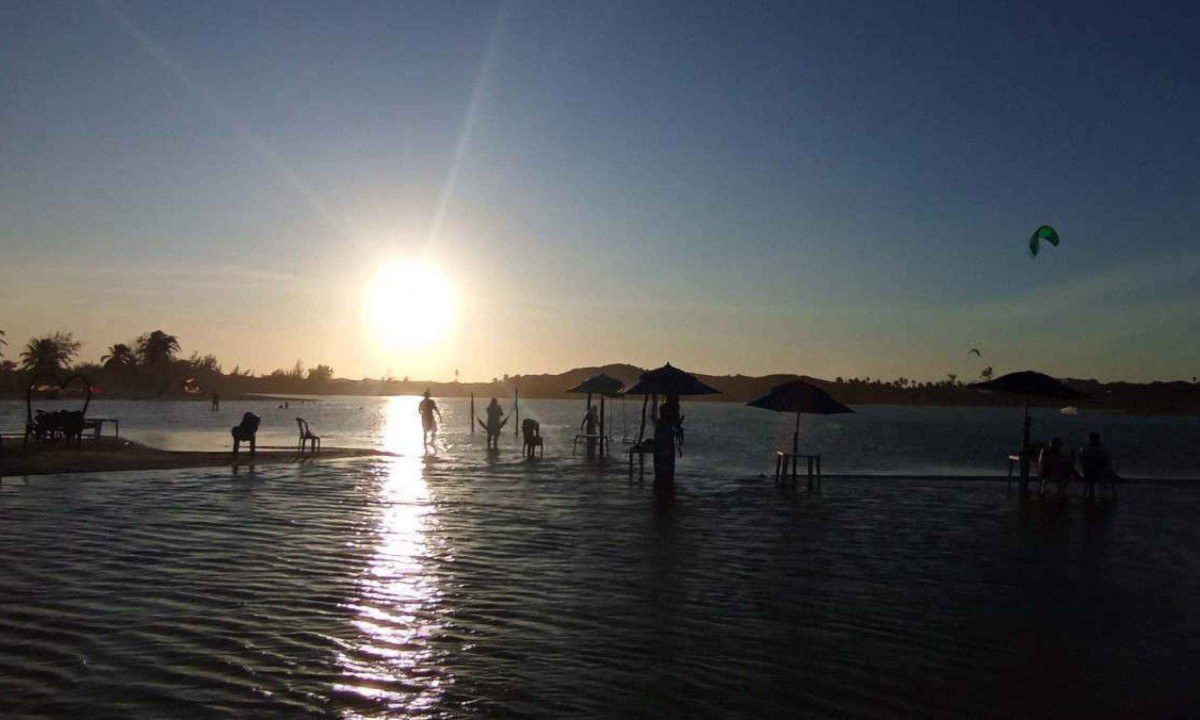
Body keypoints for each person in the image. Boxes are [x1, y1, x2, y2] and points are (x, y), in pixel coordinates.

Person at [1077, 431, 1116, 499]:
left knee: (1091, 481)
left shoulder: (1085, 449)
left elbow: (1080, 460)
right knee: (1106, 477)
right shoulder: (1103, 449)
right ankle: (1104, 495)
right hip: (1101, 473)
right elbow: (1109, 460)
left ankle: (1090, 493)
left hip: (1088, 473)